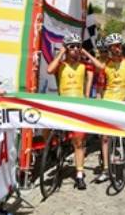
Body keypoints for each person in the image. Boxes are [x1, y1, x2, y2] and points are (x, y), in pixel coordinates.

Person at [46, 33, 103, 189]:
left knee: (79, 142)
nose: (75, 49)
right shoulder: (61, 65)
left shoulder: (84, 66)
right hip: (63, 105)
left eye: (78, 46)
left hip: (78, 107)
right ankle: (52, 151)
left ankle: (79, 175)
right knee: (45, 126)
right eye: (73, 47)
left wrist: (84, 52)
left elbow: (101, 67)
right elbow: (49, 70)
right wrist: (62, 52)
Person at [95, 33, 125, 183]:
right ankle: (106, 170)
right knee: (105, 137)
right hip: (109, 102)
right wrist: (100, 101)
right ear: (109, 49)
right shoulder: (104, 67)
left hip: (124, 101)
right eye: (113, 46)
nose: (117, 49)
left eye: (119, 45)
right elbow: (100, 87)